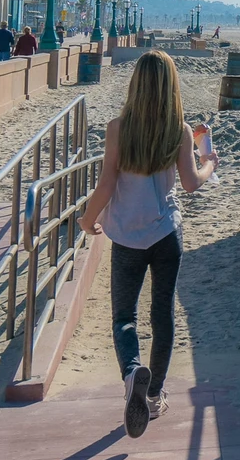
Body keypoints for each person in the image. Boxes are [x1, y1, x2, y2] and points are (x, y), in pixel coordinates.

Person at [78, 51, 217, 437]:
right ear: (171, 86)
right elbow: (191, 184)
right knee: (162, 314)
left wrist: (88, 221)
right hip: (166, 235)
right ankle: (153, 395)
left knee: (124, 316)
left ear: (136, 84)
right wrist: (210, 164)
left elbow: (106, 184)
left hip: (127, 235)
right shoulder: (180, 130)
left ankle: (131, 374)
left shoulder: (118, 128)